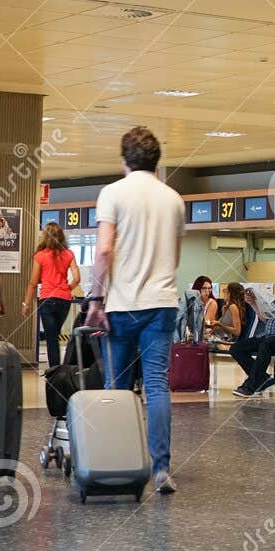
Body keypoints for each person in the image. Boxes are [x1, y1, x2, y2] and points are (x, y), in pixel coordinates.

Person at [84, 126, 186, 495]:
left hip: (121, 306)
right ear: (156, 160)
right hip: (161, 304)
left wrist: (96, 301)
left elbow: (104, 250)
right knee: (157, 385)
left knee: (117, 388)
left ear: (124, 159)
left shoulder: (112, 193)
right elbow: (173, 259)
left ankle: (118, 463)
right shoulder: (174, 199)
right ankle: (161, 469)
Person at [22, 222, 78, 368]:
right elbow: (77, 278)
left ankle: (54, 372)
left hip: (47, 300)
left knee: (51, 339)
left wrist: (26, 304)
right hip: (64, 301)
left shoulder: (40, 256)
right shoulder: (69, 254)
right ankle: (59, 371)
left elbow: (33, 283)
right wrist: (67, 288)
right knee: (55, 336)